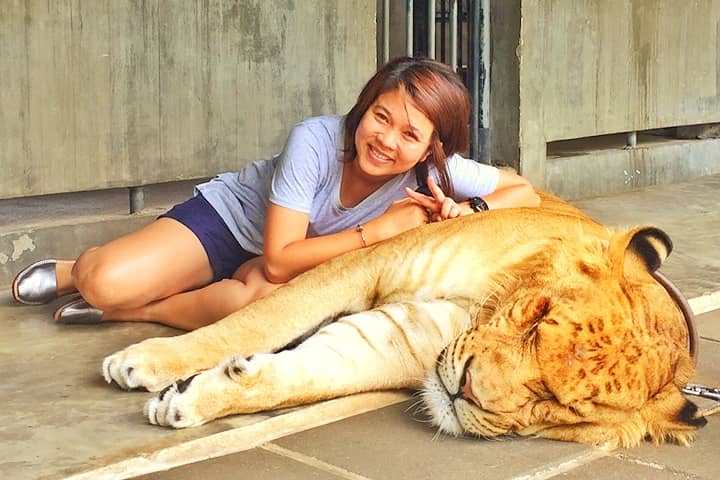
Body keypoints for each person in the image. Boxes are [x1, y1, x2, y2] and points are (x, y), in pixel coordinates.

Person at [12, 57, 540, 330]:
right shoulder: (316, 138)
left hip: (291, 260)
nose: (386, 139)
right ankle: (71, 272)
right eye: (381, 116)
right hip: (233, 226)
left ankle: (137, 312)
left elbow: (525, 193)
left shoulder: (430, 170)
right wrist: (379, 231)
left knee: (262, 305)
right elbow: (282, 257)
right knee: (103, 281)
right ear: (365, 106)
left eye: (409, 134)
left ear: (431, 147)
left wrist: (469, 207)